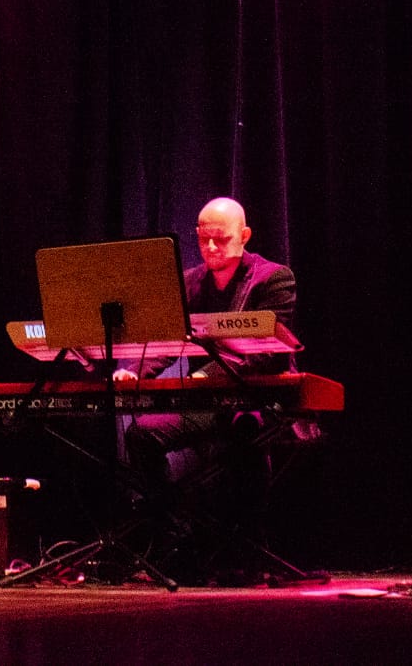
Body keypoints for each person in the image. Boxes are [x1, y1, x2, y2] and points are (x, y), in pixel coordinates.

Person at [116, 197, 304, 580]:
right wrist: (134, 371)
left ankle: (247, 550)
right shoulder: (188, 282)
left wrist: (210, 374)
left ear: (245, 235)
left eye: (221, 238)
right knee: (141, 436)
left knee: (244, 432)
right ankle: (176, 541)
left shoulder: (273, 279)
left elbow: (266, 353)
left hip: (255, 398)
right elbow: (163, 341)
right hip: (207, 400)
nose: (211, 248)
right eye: (204, 239)